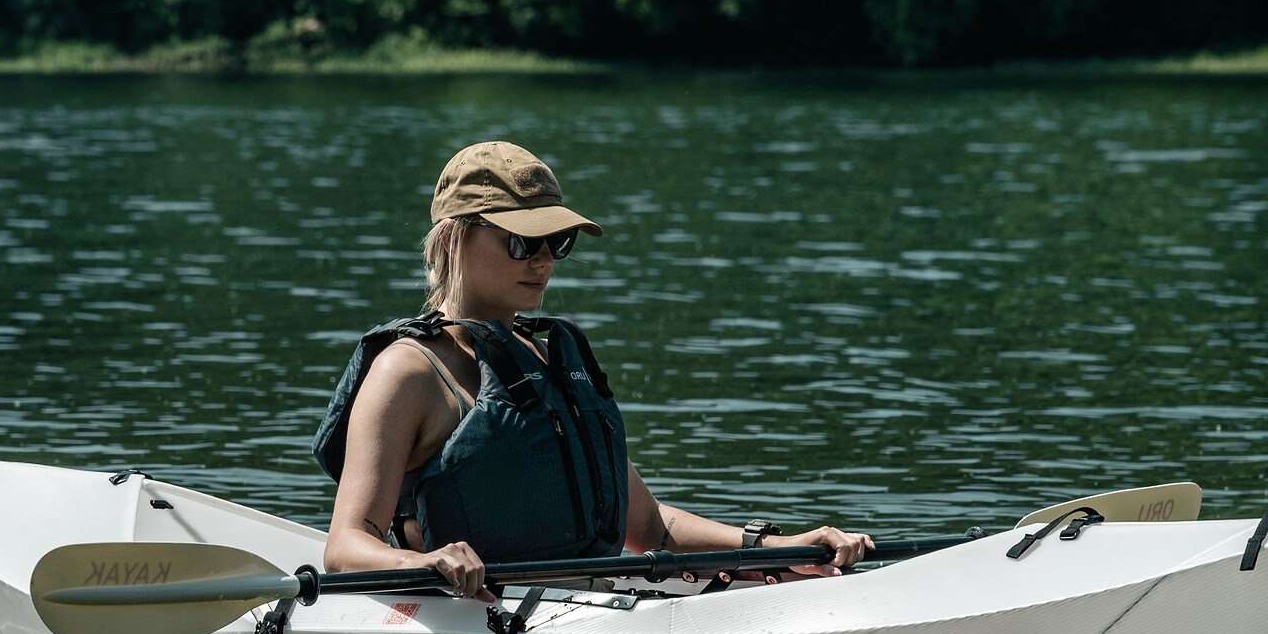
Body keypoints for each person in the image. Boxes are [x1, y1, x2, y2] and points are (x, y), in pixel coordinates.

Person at [312, 141, 872, 601]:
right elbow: (345, 549)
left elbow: (650, 530)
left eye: (558, 241)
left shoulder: (544, 362)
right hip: (475, 621)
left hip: (591, 606)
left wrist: (765, 547)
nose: (545, 260)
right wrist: (428, 560)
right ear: (457, 237)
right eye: (522, 240)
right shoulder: (408, 373)